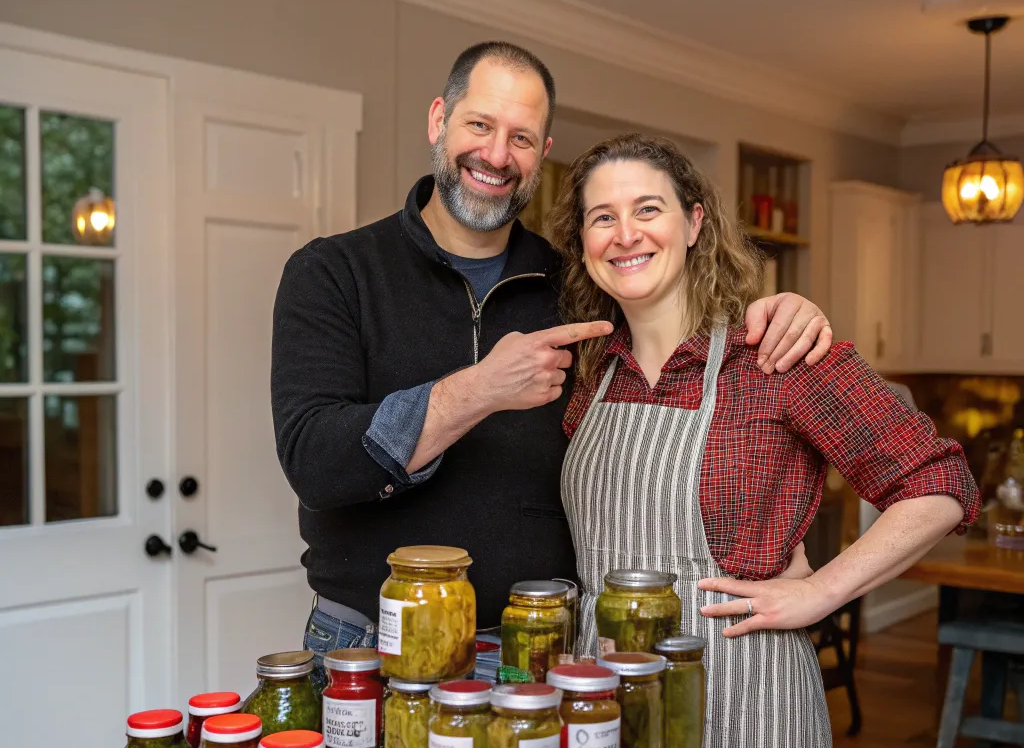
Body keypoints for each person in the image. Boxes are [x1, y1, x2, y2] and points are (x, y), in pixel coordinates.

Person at [271, 41, 834, 686]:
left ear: (542, 154)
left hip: (541, 644)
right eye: (479, 125)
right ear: (438, 121)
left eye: (521, 138)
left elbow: (681, 334)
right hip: (370, 642)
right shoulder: (334, 272)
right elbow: (316, 462)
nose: (495, 155)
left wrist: (784, 310)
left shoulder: (579, 284)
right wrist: (482, 388)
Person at [550, 133, 979, 748]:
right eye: (602, 217)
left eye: (647, 209)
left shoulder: (778, 357)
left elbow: (940, 484)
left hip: (744, 692)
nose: (626, 234)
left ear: (693, 225)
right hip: (604, 697)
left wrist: (822, 593)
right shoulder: (588, 378)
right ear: (584, 243)